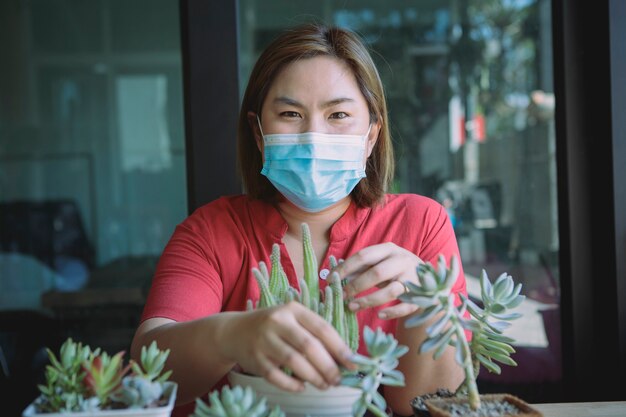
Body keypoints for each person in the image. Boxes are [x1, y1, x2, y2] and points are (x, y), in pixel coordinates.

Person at [131, 23, 466, 417]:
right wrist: (233, 335)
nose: (313, 136)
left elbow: (428, 403)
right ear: (258, 133)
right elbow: (150, 366)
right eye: (290, 113)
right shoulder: (210, 230)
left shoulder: (421, 224)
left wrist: (429, 303)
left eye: (338, 114)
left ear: (372, 135)